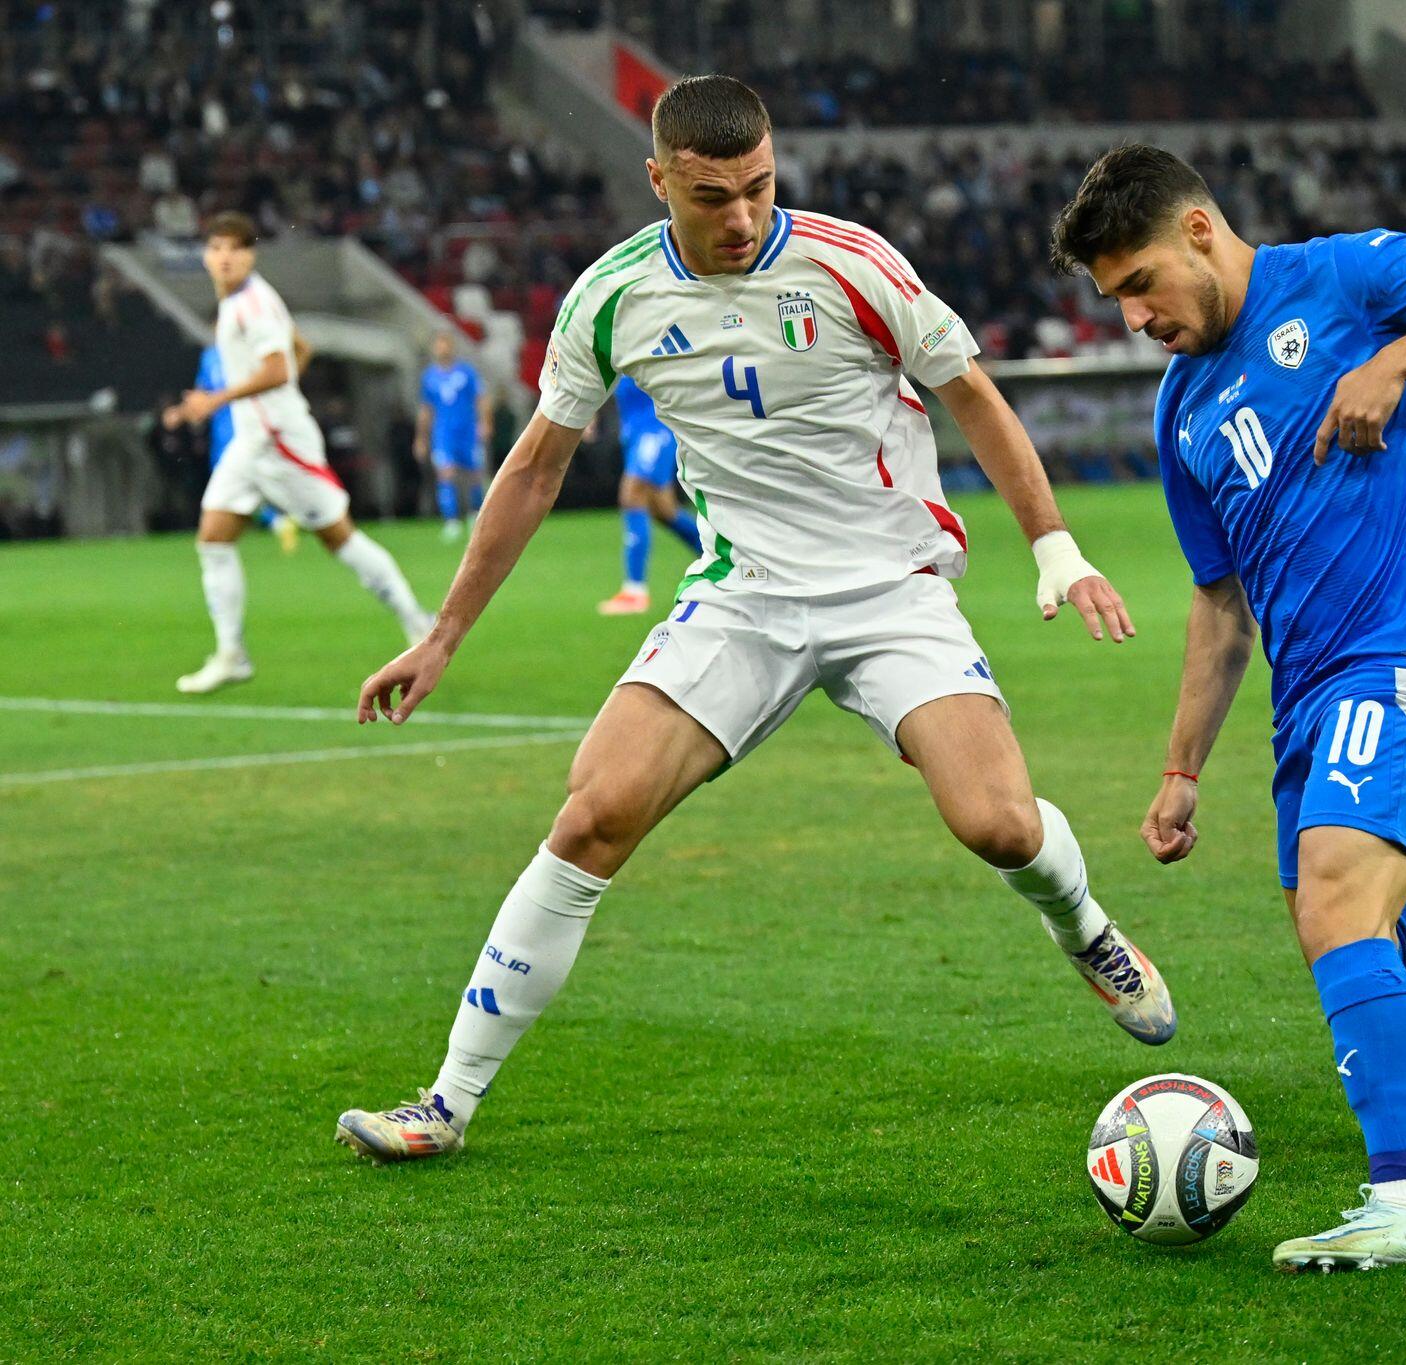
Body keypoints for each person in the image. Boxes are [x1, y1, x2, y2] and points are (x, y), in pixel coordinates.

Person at [336, 76, 1174, 1163]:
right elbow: (536, 467)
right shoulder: (611, 297)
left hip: (889, 589)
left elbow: (972, 397)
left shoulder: (852, 263)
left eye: (759, 188)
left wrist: (1056, 548)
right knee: (592, 815)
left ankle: (1085, 929)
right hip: (743, 597)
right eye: (710, 197)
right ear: (658, 181)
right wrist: (444, 632)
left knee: (1000, 827)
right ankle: (446, 1102)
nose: (740, 217)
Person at [1051, 145, 1406, 1274]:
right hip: (1306, 696)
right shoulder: (1181, 412)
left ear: (1201, 230)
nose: (1134, 319)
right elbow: (1220, 606)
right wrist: (1180, 770)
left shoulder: (1346, 277)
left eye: (1140, 285)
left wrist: (1394, 360)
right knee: (1356, 934)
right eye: (1115, 298)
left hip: (1404, 654)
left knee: (1334, 900)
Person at [162, 213, 434, 693]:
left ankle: (418, 623)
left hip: (281, 442)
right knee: (213, 539)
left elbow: (279, 369)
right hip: (254, 441)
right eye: (216, 248)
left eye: (235, 248)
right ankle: (231, 655)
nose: (224, 257)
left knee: (339, 539)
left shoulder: (252, 306)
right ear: (205, 256)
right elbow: (301, 348)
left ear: (250, 256)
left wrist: (218, 401)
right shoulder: (245, 301)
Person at [595, 372, 701, 615]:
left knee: (632, 494)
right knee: (663, 509)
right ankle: (721, 556)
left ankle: (634, 591)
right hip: (635, 427)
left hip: (655, 426)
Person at [196, 342, 298, 552]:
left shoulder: (247, 349)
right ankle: (277, 521)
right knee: (230, 485)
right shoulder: (209, 356)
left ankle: (286, 516)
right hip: (220, 431)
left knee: (247, 482)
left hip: (247, 427)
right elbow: (202, 393)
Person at [414, 330, 494, 541]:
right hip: (443, 433)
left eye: (446, 344)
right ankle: (452, 520)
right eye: (439, 344)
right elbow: (426, 409)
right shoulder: (429, 377)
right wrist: (421, 438)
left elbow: (481, 398)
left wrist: (485, 422)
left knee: (474, 473)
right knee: (445, 473)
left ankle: (476, 514)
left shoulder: (466, 372)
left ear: (452, 346)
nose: (442, 348)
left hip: (467, 431)